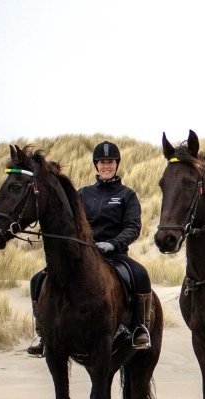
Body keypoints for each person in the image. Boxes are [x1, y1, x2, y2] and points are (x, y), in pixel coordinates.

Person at [27, 140, 153, 356]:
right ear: (96, 165)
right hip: (84, 255)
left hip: (115, 255)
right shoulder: (83, 194)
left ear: (117, 164)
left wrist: (113, 244)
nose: (106, 166)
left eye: (110, 162)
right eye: (102, 162)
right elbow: (70, 223)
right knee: (38, 280)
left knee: (140, 275)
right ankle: (42, 332)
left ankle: (139, 328)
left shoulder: (127, 195)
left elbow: (133, 227)